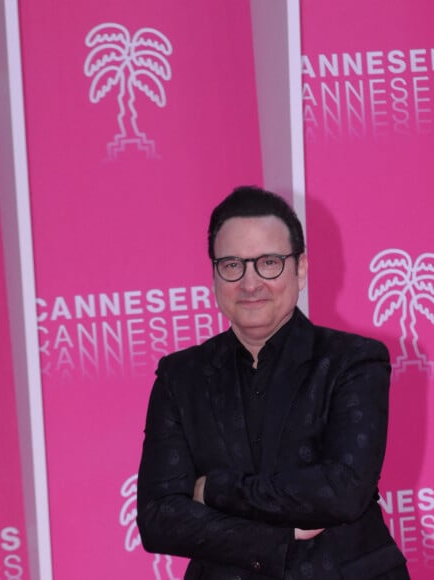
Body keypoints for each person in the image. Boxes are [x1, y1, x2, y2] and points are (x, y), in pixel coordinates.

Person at [137, 186, 409, 579]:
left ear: (300, 269)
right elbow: (158, 517)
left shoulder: (353, 360)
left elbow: (343, 490)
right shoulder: (181, 377)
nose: (250, 284)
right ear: (214, 273)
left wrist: (215, 491)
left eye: (269, 263)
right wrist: (272, 542)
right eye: (232, 265)